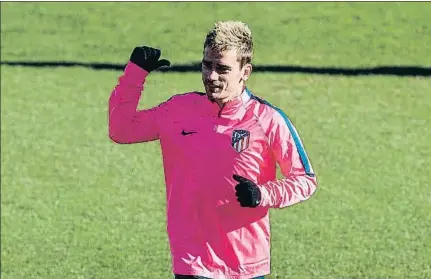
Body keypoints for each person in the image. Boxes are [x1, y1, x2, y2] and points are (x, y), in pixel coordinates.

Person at [108, 21, 318, 279]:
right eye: (207, 65)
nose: (211, 76)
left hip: (246, 264)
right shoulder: (178, 111)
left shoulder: (268, 120)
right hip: (192, 259)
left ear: (245, 71)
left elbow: (305, 181)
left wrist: (263, 194)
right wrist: (135, 75)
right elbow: (122, 130)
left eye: (222, 69)